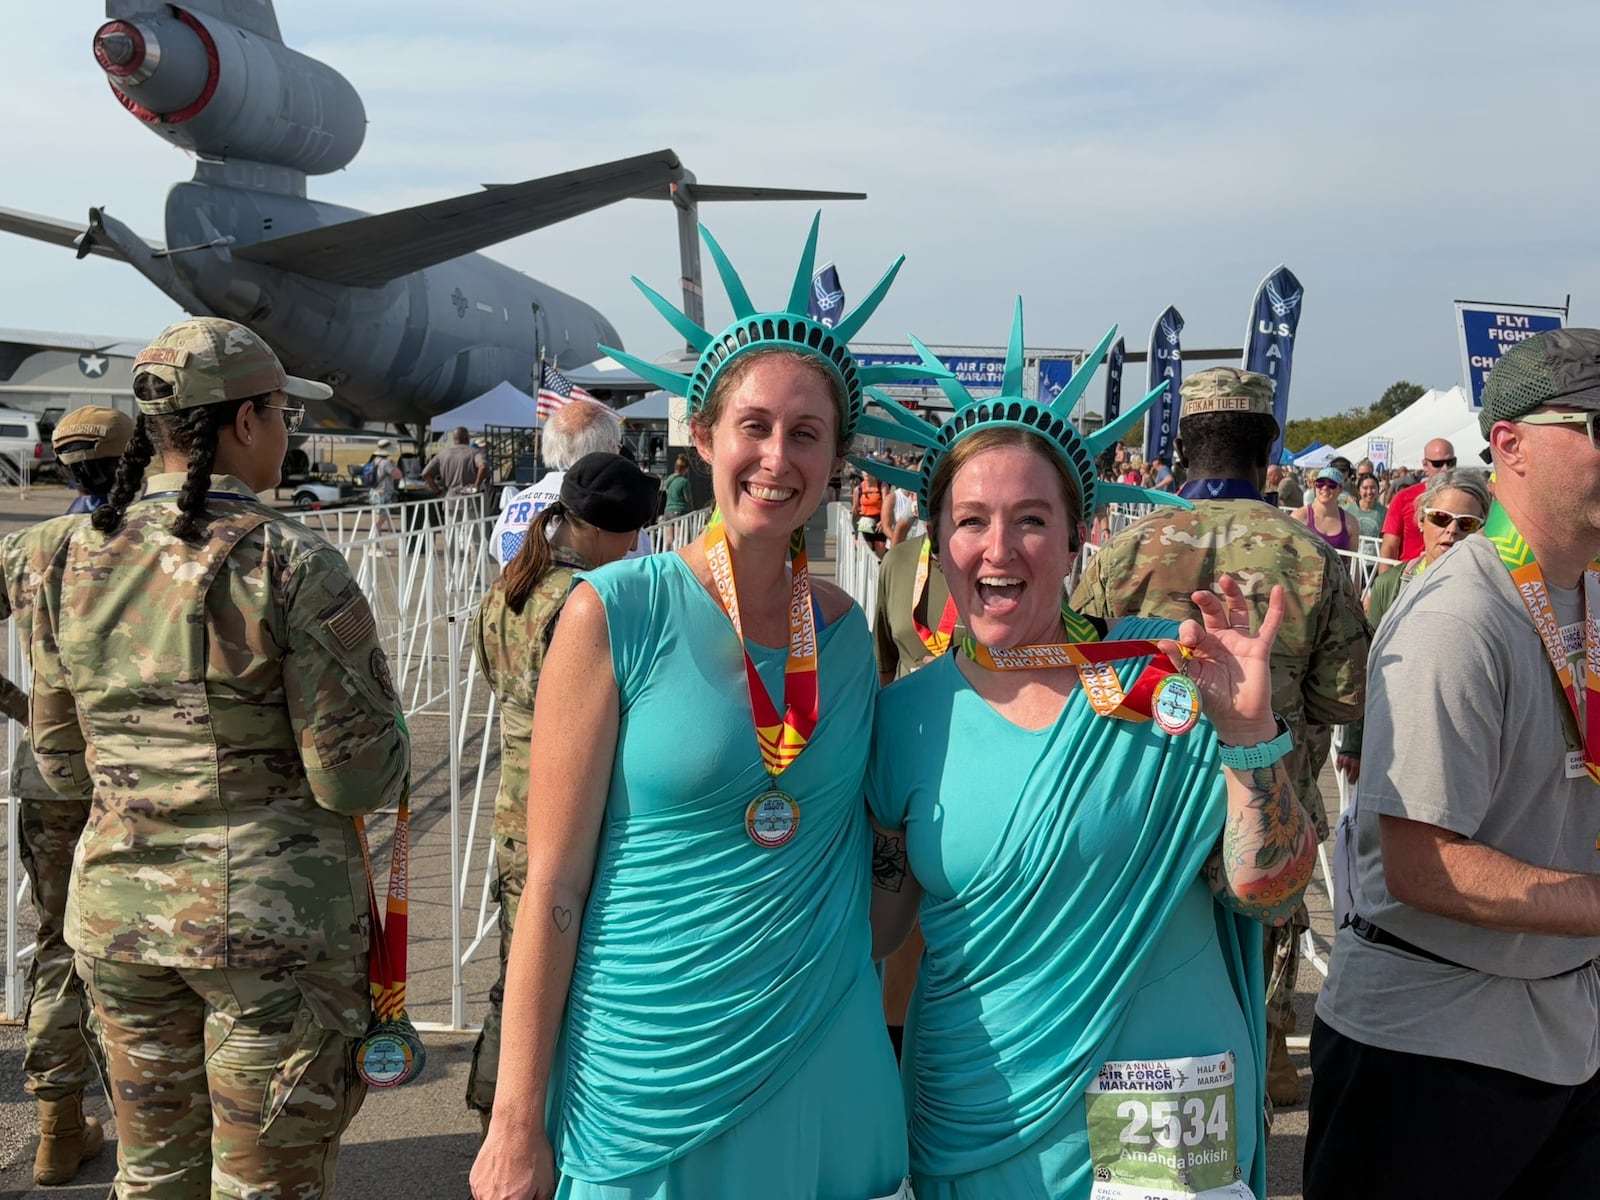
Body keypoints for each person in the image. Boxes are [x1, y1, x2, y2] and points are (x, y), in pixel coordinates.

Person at [471, 217, 918, 1200]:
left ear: (836, 453)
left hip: (816, 1051)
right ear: (703, 436)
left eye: (806, 433)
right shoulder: (612, 613)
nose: (776, 456)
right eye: (753, 426)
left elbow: (885, 856)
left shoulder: (845, 638)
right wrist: (514, 1120)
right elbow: (550, 884)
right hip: (642, 1068)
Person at [862, 307, 1316, 1199]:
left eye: (1032, 520)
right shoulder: (904, 718)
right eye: (972, 521)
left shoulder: (1163, 683)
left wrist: (1250, 739)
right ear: (936, 543)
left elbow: (1275, 891)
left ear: (1078, 539)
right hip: (975, 1111)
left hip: (1159, 1113)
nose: (999, 549)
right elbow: (875, 931)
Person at [27, 317, 411, 1199]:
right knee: (263, 1182)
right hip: (266, 934)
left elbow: (60, 760)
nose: (288, 433)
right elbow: (351, 776)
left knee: (153, 1174)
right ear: (244, 422)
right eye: (282, 413)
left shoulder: (63, 557)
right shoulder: (289, 560)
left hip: (121, 919)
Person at [1305, 328, 1600, 1198]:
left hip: (1562, 1036)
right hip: (1430, 1052)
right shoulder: (1460, 617)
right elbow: (1421, 865)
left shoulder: (1585, 591)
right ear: (1508, 444)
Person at [1074, 367, 1370, 1109]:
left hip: (1139, 825)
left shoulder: (1123, 550)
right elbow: (1344, 696)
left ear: (1180, 447)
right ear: (1267, 449)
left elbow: (1075, 677)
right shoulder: (1309, 556)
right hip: (1268, 821)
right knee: (1253, 1046)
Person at [466, 453, 660, 1129]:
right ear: (603, 531)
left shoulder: (511, 586)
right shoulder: (590, 605)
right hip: (571, 810)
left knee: (516, 969)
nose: (637, 547)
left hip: (513, 805)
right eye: (632, 532)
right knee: (555, 978)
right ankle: (524, 1123)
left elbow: (492, 678)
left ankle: (496, 1106)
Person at [2, 405, 134, 1184]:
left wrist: (25, 709)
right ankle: (151, 1116)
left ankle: (57, 1122)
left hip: (50, 769)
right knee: (148, 950)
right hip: (140, 768)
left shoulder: (31, 549)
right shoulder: (155, 543)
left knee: (57, 944)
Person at [1333, 466, 1490, 783]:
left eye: (1467, 524)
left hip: (1467, 744)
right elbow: (1364, 663)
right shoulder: (1391, 584)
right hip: (1396, 737)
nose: (1452, 531)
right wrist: (1354, 742)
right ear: (1421, 520)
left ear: (1482, 529)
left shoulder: (1497, 590)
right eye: (1441, 518)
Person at [491, 398, 650, 566]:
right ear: (610, 448)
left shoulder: (516, 502)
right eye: (618, 446)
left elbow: (498, 555)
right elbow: (636, 569)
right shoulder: (610, 509)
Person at [1379, 436, 1456, 565]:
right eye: (1438, 464)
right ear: (1425, 465)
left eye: (1451, 462)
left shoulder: (1467, 499)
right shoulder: (1403, 498)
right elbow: (1389, 548)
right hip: (1411, 576)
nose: (1445, 469)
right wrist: (1387, 583)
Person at [1292, 466, 1359, 551]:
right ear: (1315, 486)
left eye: (1331, 484)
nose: (1325, 487)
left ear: (1341, 488)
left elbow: (1352, 561)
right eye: (1320, 483)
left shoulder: (1351, 523)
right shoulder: (1298, 517)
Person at [423, 425, 490, 495]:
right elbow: (483, 466)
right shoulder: (474, 452)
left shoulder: (442, 454)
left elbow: (425, 474)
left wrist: (438, 492)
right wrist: (476, 486)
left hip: (450, 498)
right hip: (469, 497)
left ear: (454, 439)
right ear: (467, 438)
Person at [1342, 471, 1387, 539]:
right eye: (1365, 488)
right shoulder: (1346, 510)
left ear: (1378, 489)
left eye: (1373, 488)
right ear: (1358, 490)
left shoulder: (1384, 513)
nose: (1369, 492)